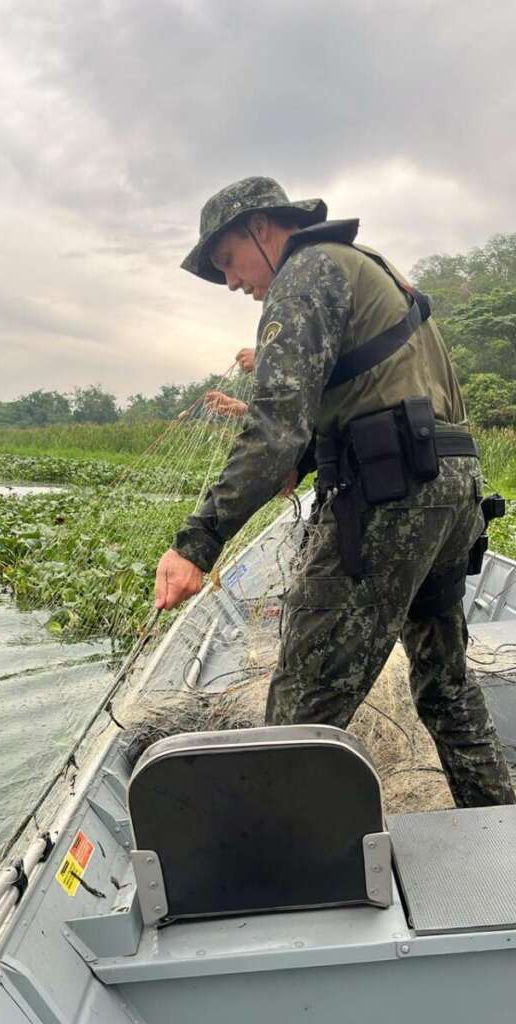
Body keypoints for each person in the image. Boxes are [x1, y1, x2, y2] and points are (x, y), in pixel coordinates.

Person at [155, 176, 514, 808]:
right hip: (451, 494)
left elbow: (275, 425)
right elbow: (358, 396)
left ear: (261, 228)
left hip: (389, 501)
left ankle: (273, 853)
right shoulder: (363, 265)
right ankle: (498, 828)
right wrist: (298, 462)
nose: (232, 282)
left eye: (229, 261)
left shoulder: (305, 271)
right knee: (446, 686)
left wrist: (198, 543)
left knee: (301, 709)